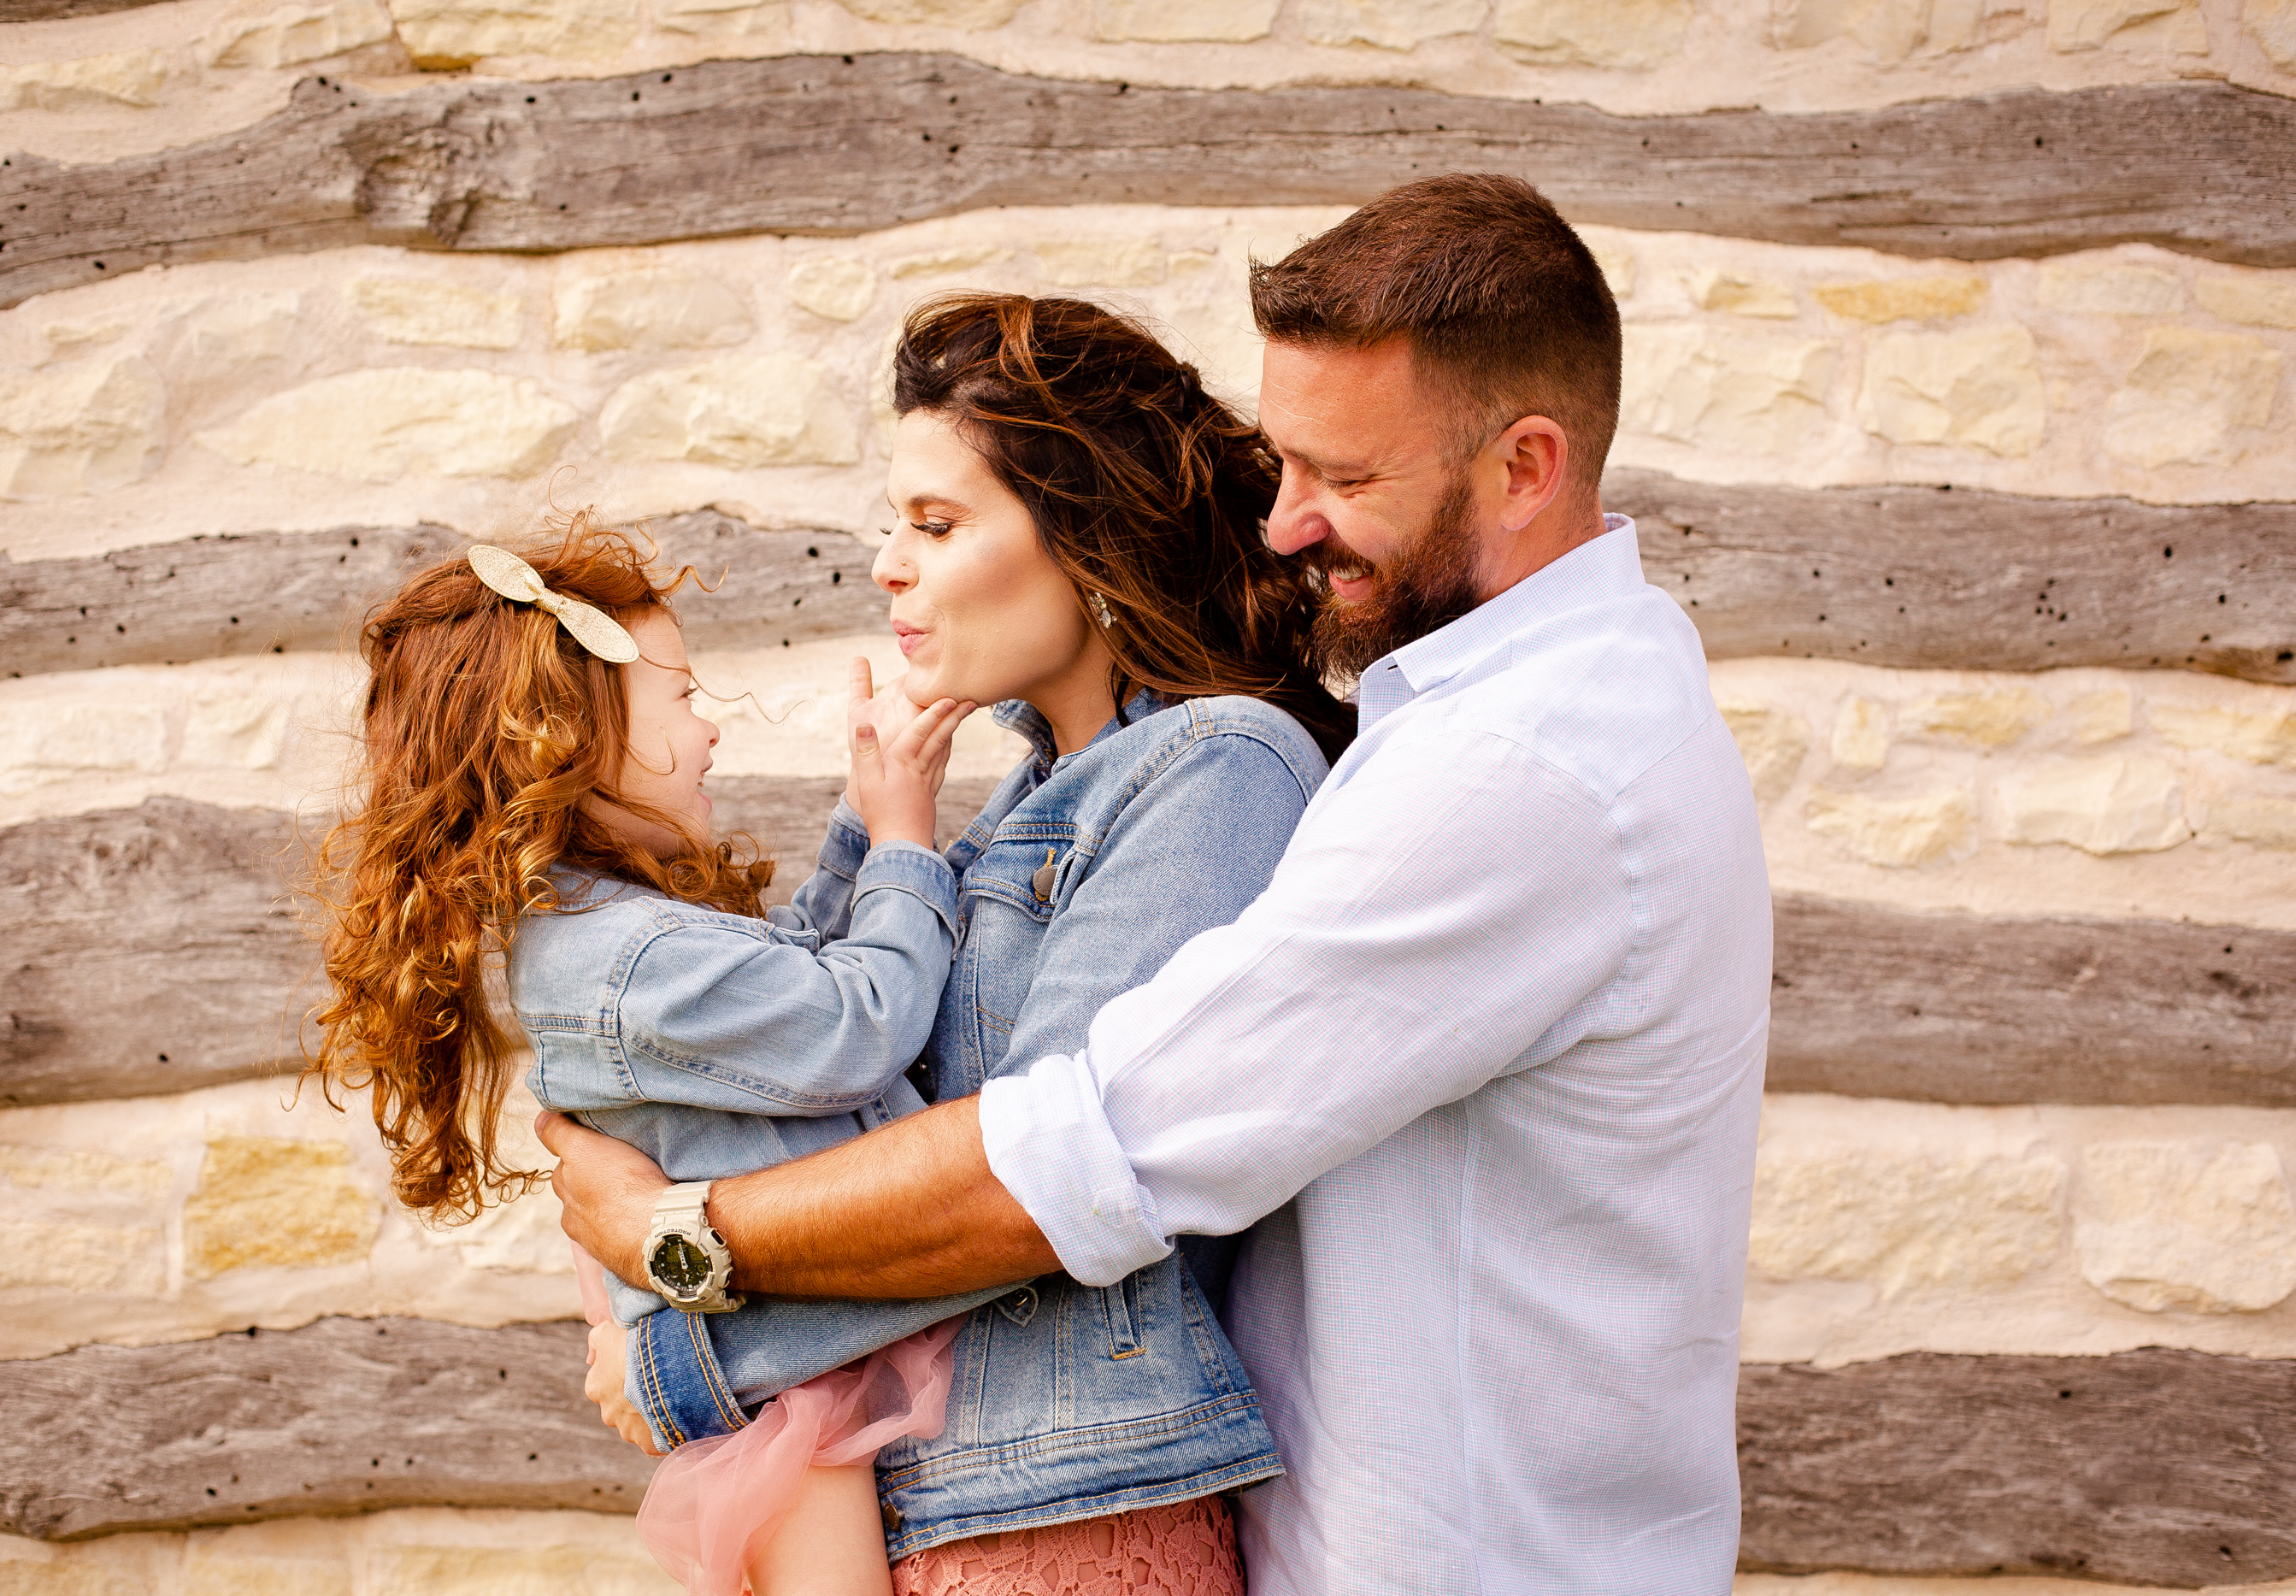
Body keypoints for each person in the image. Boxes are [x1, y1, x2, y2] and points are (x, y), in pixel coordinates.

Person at [541, 171, 1775, 1593]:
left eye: (1347, 478)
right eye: (1286, 465)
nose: (1286, 523)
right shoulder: (1471, 722)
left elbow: (1079, 1160)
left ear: (1525, 466)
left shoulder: (1518, 768)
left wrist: (674, 1254)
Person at [306, 524, 986, 1595]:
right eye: (680, 696)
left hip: (793, 1358)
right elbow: (852, 1026)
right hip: (788, 1394)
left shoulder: (612, 931)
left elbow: (792, 979)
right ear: (568, 741)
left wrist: (863, 816)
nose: (709, 727)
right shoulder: (630, 958)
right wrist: (905, 839)